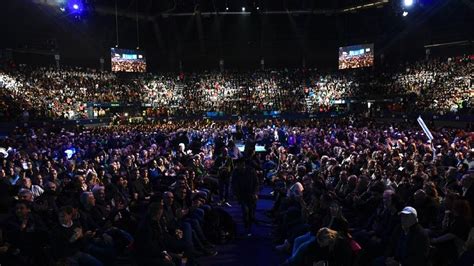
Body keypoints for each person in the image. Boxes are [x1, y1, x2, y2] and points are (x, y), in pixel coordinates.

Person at [232, 157, 259, 236]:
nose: (238, 166)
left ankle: (250, 225)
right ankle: (247, 227)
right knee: (245, 211)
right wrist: (235, 194)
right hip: (242, 195)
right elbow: (233, 184)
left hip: (251, 194)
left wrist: (255, 193)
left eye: (240, 164)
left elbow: (256, 182)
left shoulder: (251, 171)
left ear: (243, 164)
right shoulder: (235, 172)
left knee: (251, 212)